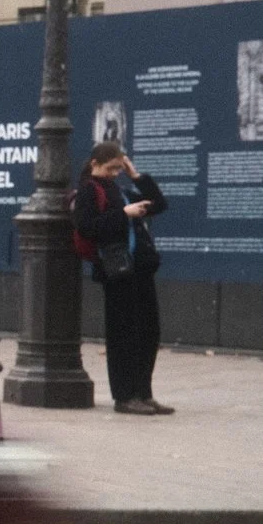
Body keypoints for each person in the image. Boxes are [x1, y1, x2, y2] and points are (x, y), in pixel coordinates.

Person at [75, 140, 172, 415]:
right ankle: (125, 396)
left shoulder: (120, 187)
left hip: (140, 269)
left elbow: (160, 204)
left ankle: (144, 393)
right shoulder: (88, 190)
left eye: (119, 168)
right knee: (123, 335)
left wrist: (136, 176)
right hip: (116, 271)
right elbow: (87, 227)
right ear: (95, 164)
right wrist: (123, 214)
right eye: (111, 168)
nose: (115, 173)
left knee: (148, 331)